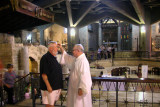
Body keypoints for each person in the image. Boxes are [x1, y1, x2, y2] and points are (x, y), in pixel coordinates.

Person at [40, 41, 63, 107]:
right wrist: (48, 86)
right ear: (51, 49)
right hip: (50, 87)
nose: (57, 49)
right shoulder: (46, 58)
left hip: (54, 86)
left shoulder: (53, 58)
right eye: (56, 47)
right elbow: (44, 74)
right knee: (50, 104)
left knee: (50, 104)